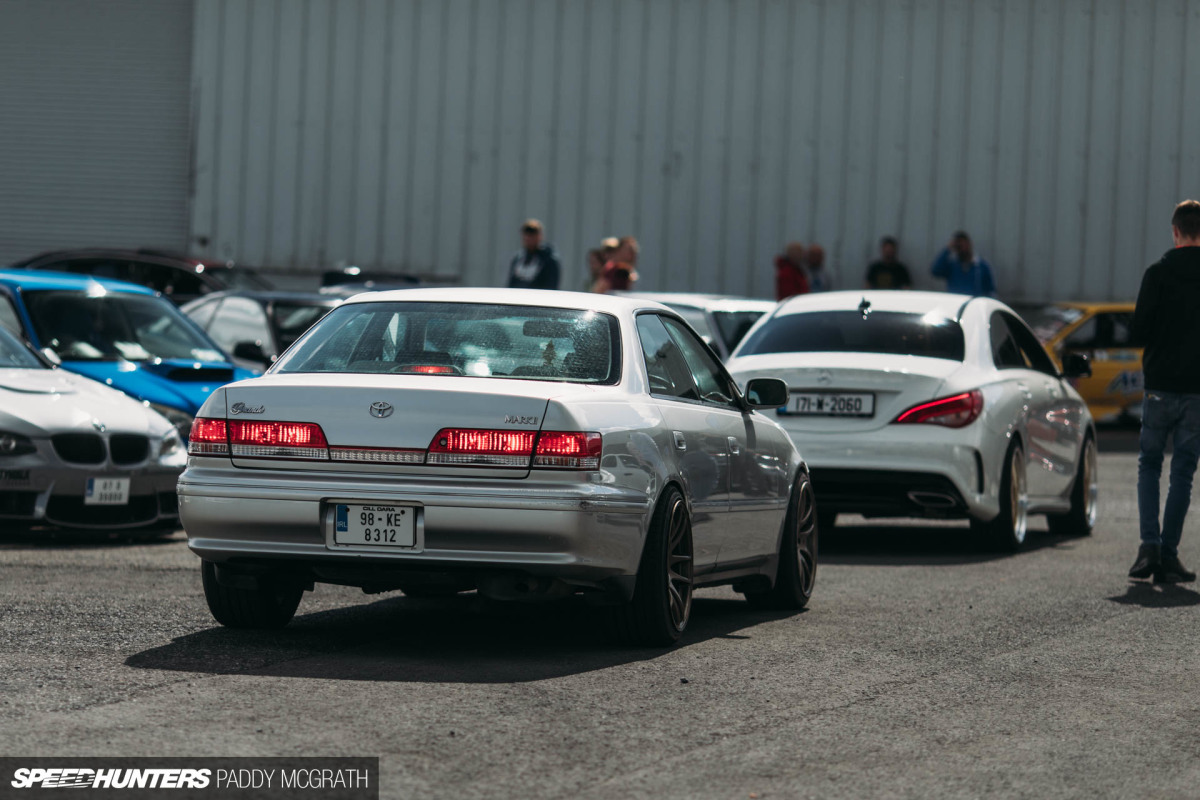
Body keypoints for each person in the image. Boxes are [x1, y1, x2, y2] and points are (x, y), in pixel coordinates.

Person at [1127, 199, 1200, 583]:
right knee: (1183, 471)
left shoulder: (1157, 273)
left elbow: (1138, 332)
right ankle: (1170, 554)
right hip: (1196, 391)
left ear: (1175, 232)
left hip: (1159, 386)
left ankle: (1148, 548)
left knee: (1149, 465)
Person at [931, 231, 995, 297]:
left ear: (969, 244)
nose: (961, 249)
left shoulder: (981, 266)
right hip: (956, 302)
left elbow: (990, 290)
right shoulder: (952, 266)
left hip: (974, 303)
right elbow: (935, 271)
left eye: (962, 245)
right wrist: (947, 249)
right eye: (958, 246)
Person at [506, 219, 561, 290]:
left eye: (532, 235)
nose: (528, 238)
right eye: (526, 234)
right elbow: (511, 283)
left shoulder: (548, 260)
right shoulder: (519, 259)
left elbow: (551, 286)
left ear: (540, 236)